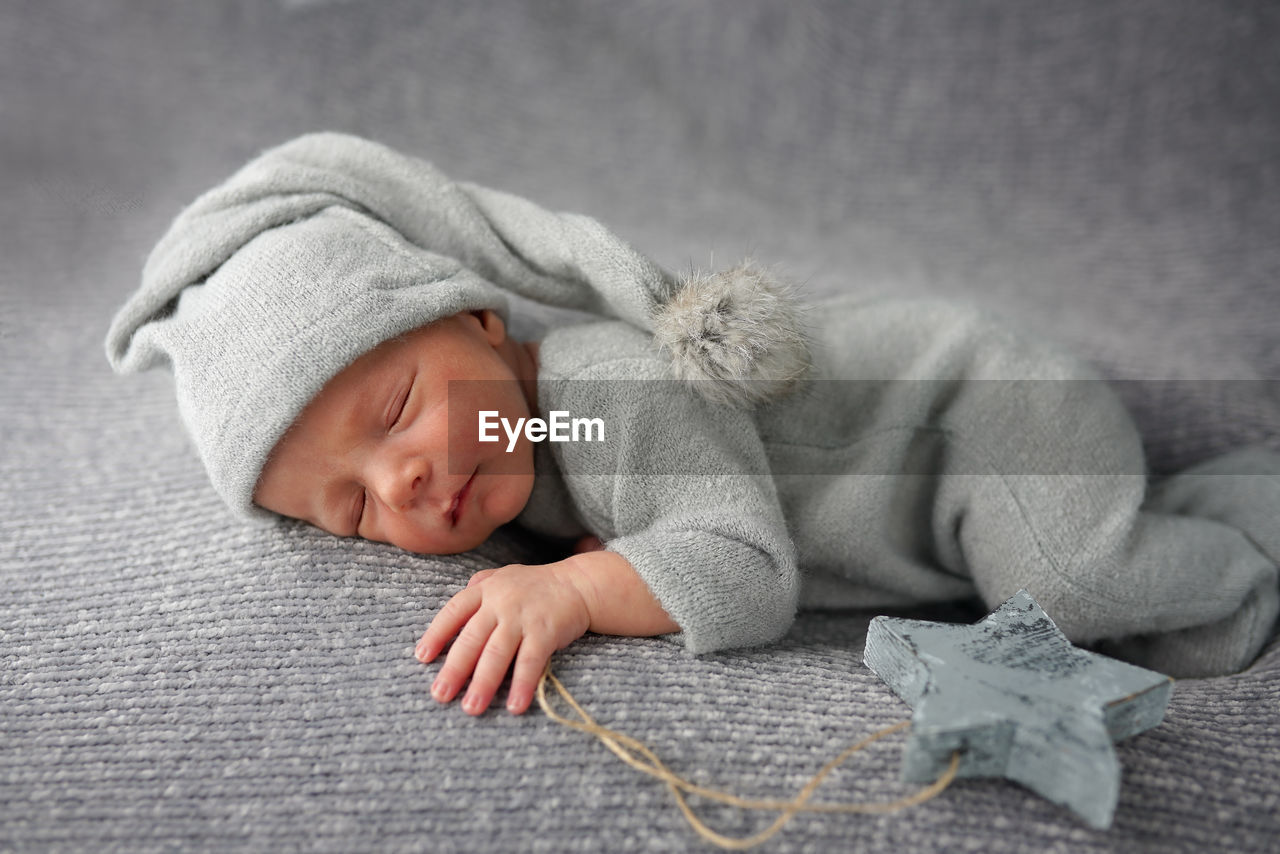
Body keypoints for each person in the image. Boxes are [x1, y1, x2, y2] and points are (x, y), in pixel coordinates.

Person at [107, 132, 1280, 718]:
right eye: (348, 504)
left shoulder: (598, 390)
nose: (405, 481)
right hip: (935, 492)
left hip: (978, 417)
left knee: (1102, 596)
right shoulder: (501, 446)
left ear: (477, 317)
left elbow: (742, 564)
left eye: (396, 409)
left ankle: (1255, 527)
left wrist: (571, 590)